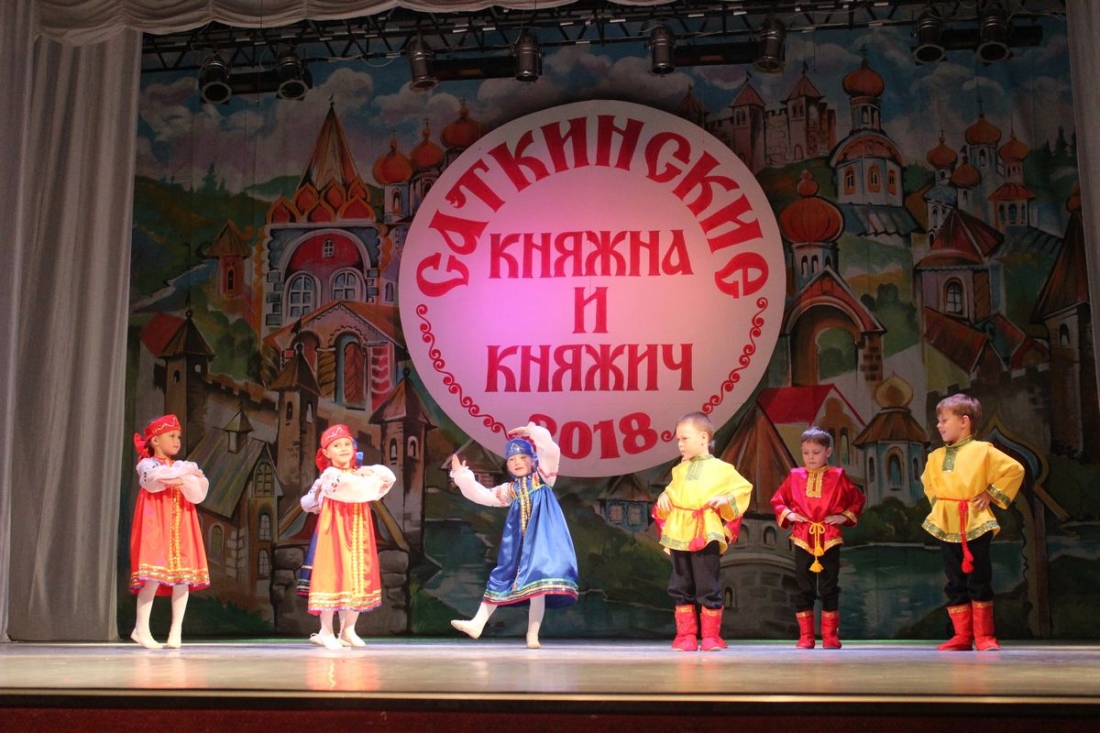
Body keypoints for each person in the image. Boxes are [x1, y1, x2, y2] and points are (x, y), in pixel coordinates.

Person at [449, 424, 579, 649]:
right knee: (502, 574)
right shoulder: (511, 490)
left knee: (537, 582)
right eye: (511, 459)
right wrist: (462, 477)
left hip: (541, 541)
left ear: (533, 461)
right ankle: (477, 624)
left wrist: (533, 432)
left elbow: (551, 451)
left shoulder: (543, 477)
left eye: (522, 457)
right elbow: (483, 495)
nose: (517, 462)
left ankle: (532, 635)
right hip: (518, 541)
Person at [921, 393, 1024, 652]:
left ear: (964, 421)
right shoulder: (935, 456)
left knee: (978, 578)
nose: (939, 425)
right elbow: (928, 483)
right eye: (938, 421)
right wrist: (941, 507)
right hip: (947, 522)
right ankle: (962, 636)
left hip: (975, 520)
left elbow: (1014, 470)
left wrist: (990, 494)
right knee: (955, 580)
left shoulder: (982, 451)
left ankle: (985, 636)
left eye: (944, 420)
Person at [654, 412, 752, 652]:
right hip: (680, 531)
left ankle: (710, 637)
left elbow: (743, 489)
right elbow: (672, 491)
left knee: (707, 583)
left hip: (705, 531)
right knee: (681, 583)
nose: (680, 444)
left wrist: (725, 499)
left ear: (703, 438)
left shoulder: (722, 469)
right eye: (678, 439)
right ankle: (686, 636)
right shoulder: (680, 470)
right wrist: (665, 496)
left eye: (685, 439)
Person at [302, 425, 396, 650]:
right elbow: (351, 490)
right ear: (327, 452)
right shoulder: (330, 475)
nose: (343, 449)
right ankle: (326, 631)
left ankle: (348, 630)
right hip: (335, 531)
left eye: (347, 444)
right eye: (336, 445)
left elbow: (387, 478)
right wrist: (365, 478)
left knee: (357, 575)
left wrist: (367, 472)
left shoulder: (358, 474)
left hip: (359, 530)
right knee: (332, 574)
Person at [770, 426, 865, 649]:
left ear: (828, 452)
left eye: (816, 452)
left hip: (828, 536)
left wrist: (842, 517)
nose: (810, 457)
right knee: (804, 586)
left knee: (829, 586)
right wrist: (789, 514)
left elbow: (857, 499)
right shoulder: (795, 476)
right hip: (803, 536)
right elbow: (778, 500)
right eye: (806, 452)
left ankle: (830, 636)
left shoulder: (837, 476)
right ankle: (806, 636)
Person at [130, 414, 210, 650]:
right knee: (152, 576)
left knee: (182, 577)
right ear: (155, 440)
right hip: (156, 523)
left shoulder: (182, 466)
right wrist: (181, 477)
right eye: (171, 436)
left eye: (178, 437)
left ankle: (176, 631)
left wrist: (181, 478)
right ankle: (141, 628)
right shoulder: (148, 465)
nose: (177, 441)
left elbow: (198, 491)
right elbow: (154, 480)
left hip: (181, 524)